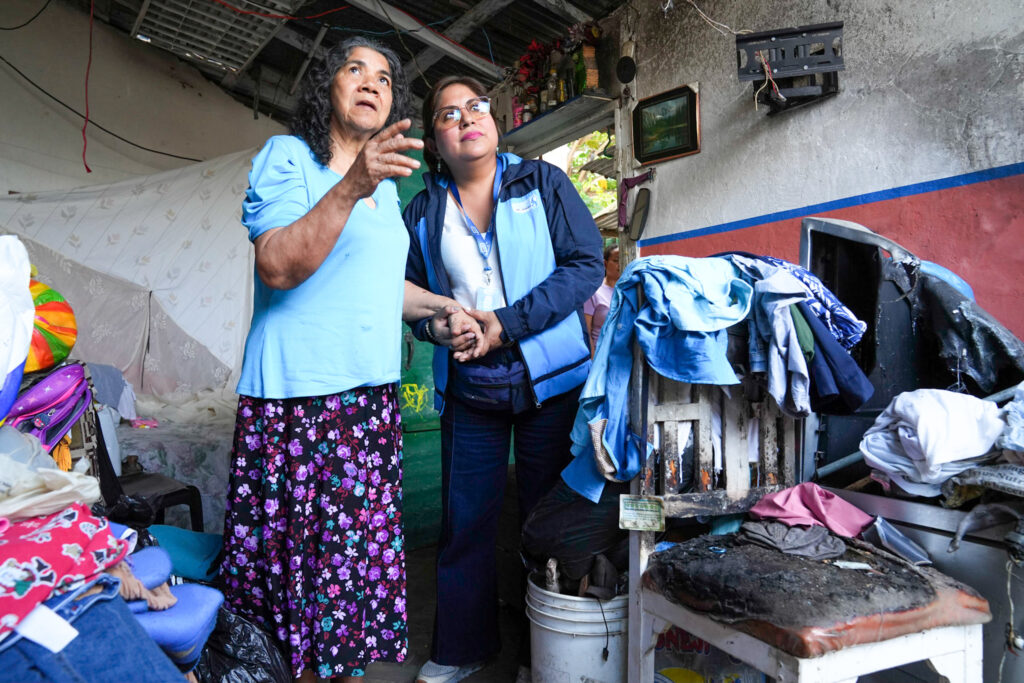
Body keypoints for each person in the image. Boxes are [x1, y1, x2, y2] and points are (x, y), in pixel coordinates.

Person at [218, 37, 477, 683]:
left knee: (346, 578)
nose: (370, 83)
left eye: (384, 77)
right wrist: (351, 183)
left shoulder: (386, 191)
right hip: (298, 401)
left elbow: (378, 284)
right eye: (354, 69)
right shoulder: (289, 157)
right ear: (326, 85)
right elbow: (278, 264)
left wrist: (442, 308)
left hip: (367, 404)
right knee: (293, 580)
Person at [403, 75, 604, 683]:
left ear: (494, 120)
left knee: (547, 519)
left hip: (552, 381)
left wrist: (507, 324)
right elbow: (411, 305)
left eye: (476, 106)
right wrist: (440, 328)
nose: (467, 118)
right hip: (471, 386)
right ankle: (461, 648)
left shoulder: (543, 182)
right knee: (466, 522)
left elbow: (585, 266)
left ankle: (541, 654)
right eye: (448, 114)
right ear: (434, 143)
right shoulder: (422, 212)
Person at [584, 244, 619, 354]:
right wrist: (593, 358)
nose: (621, 264)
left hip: (624, 356)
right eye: (616, 260)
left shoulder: (630, 290)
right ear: (605, 263)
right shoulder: (594, 291)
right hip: (600, 355)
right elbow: (586, 330)